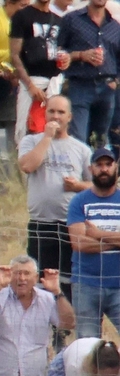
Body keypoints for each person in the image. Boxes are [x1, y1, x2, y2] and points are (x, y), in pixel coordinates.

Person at [22, 95, 89, 296]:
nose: (56, 116)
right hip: (41, 224)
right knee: (40, 281)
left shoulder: (82, 149)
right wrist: (47, 138)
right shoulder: (31, 141)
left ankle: (64, 325)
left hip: (70, 226)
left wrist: (78, 186)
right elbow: (27, 166)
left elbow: (97, 187)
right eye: (51, 111)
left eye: (61, 112)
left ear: (69, 117)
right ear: (45, 113)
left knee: (67, 281)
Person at [57, 0, 120, 146]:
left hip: (107, 87)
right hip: (80, 84)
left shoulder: (115, 26)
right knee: (78, 137)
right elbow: (59, 50)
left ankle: (97, 172)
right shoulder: (71, 20)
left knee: (101, 139)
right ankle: (79, 173)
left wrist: (116, 81)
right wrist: (80, 55)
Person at [66, 144, 120, 337]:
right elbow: (79, 243)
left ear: (116, 167)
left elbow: (90, 240)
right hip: (87, 283)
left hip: (119, 283)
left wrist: (98, 235)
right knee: (87, 347)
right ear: (91, 169)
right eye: (99, 165)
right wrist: (115, 241)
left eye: (108, 164)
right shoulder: (79, 201)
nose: (104, 169)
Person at [9, 0, 65, 144]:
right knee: (25, 132)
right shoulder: (22, 16)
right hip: (30, 81)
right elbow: (14, 55)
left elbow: (62, 51)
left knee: (53, 131)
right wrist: (30, 85)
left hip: (53, 82)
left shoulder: (59, 20)